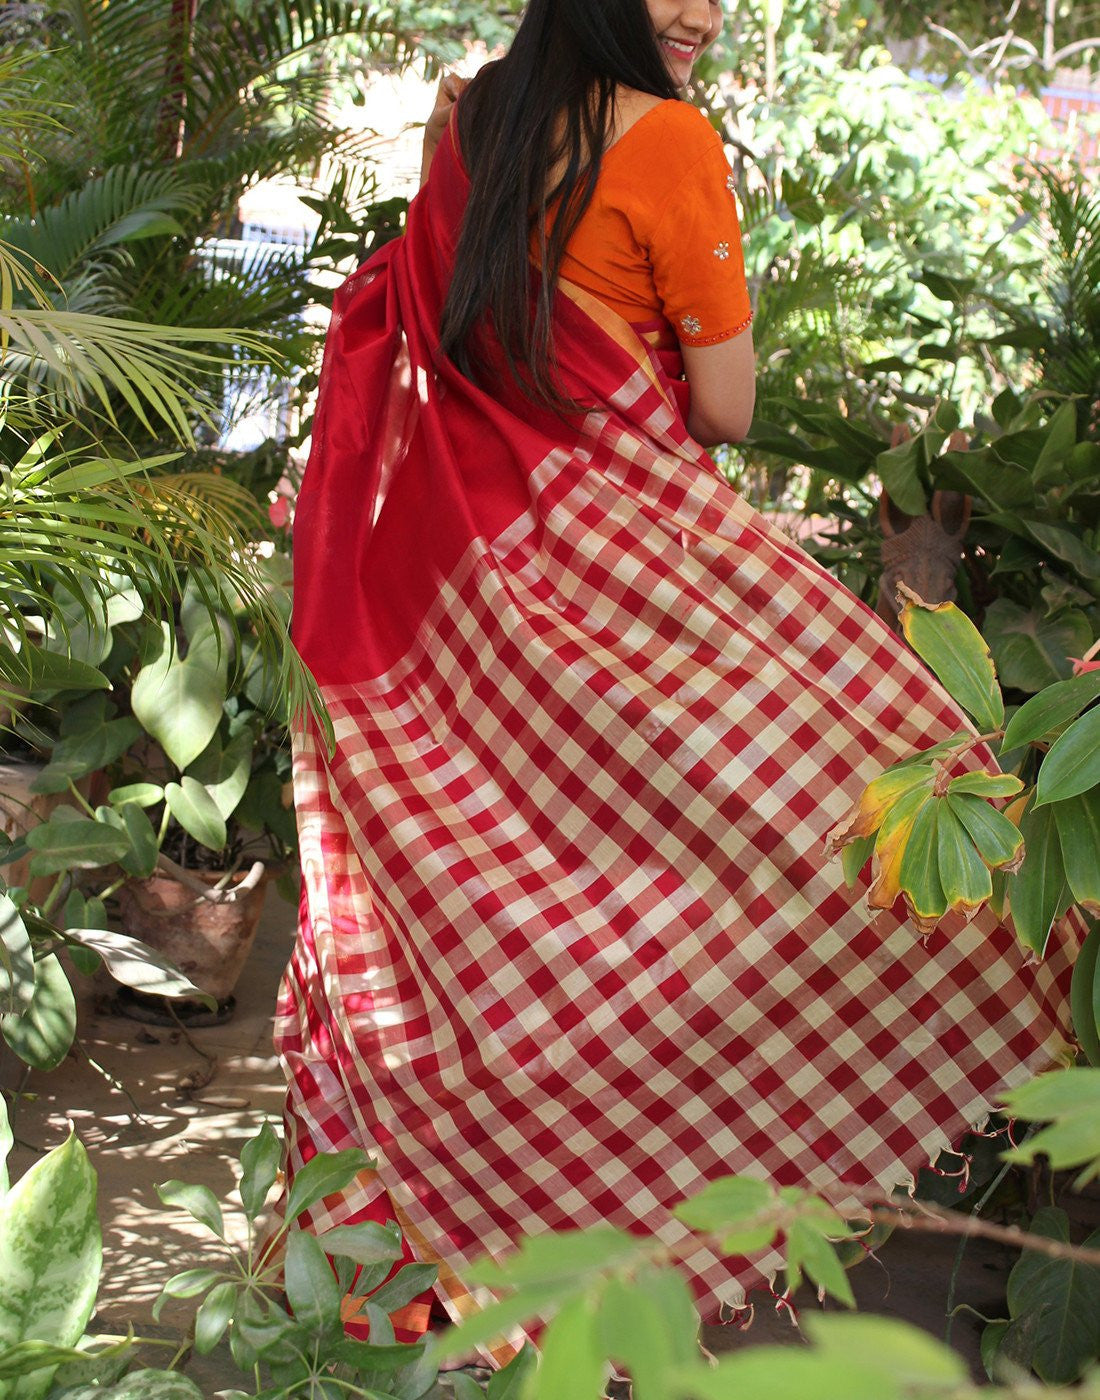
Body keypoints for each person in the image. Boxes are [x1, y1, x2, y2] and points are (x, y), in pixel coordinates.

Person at [276, 0, 1076, 1364]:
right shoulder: (670, 143)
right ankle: (656, 1253)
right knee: (868, 810)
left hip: (468, 616)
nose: (701, 10)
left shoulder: (468, 116)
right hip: (626, 589)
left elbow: (462, 348)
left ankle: (460, 1293)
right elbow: (723, 410)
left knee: (514, 921)